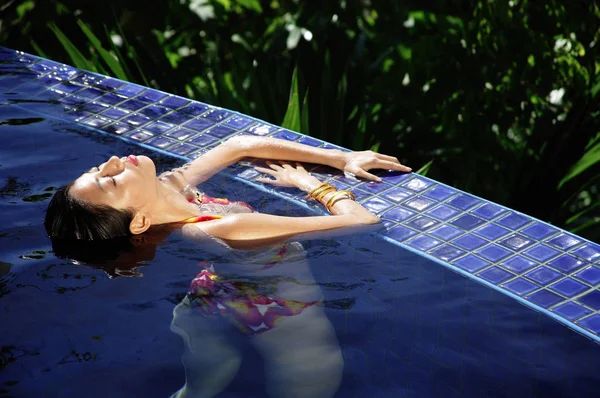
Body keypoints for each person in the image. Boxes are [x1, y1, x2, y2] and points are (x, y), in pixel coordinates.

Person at [43, 134, 411, 397]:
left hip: (209, 298)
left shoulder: (171, 190)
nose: (111, 162)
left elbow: (239, 146)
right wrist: (310, 183)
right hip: (281, 311)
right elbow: (362, 223)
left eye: (98, 168)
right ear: (138, 222)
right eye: (108, 181)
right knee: (313, 383)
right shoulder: (226, 229)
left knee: (196, 391)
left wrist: (340, 159)